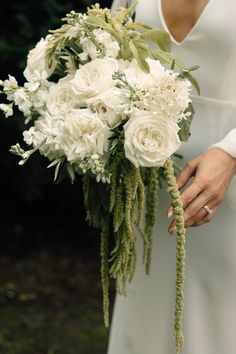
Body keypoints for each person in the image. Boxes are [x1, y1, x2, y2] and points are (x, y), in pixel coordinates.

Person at [107, 1, 236, 353]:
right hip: (149, 175)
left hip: (230, 182)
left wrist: (230, 153)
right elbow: (111, 56)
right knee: (147, 306)